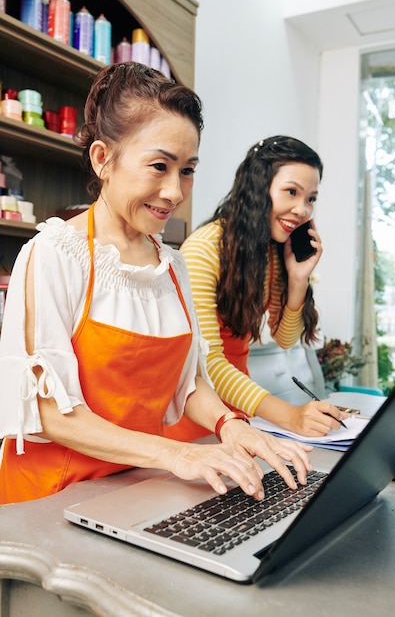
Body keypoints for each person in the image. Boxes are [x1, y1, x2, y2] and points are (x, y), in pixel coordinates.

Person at [0, 64, 313, 505]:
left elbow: (188, 385)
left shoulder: (172, 266)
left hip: (127, 490)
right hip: (50, 500)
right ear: (102, 159)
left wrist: (232, 426)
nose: (174, 191)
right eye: (159, 166)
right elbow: (54, 416)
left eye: (187, 170)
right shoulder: (54, 254)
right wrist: (177, 454)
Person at [164, 135, 347, 443]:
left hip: (239, 415)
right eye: (291, 192)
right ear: (259, 187)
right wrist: (290, 415)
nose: (302, 210)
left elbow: (285, 339)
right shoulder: (204, 249)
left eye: (311, 198)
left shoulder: (272, 254)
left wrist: (298, 280)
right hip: (194, 418)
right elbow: (209, 366)